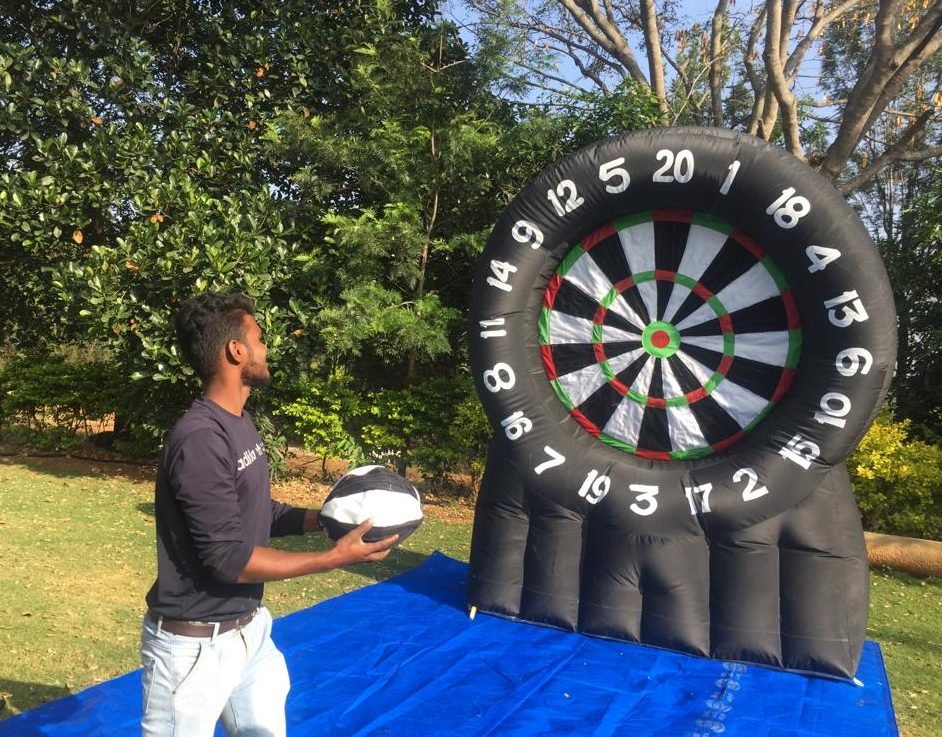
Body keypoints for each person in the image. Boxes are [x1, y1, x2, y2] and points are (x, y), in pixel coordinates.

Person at [140, 292, 397, 736]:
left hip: (249, 632)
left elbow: (260, 513)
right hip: (194, 649)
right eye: (259, 339)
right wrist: (333, 558)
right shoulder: (200, 438)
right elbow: (228, 559)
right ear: (235, 351)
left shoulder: (239, 422)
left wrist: (329, 518)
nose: (266, 348)